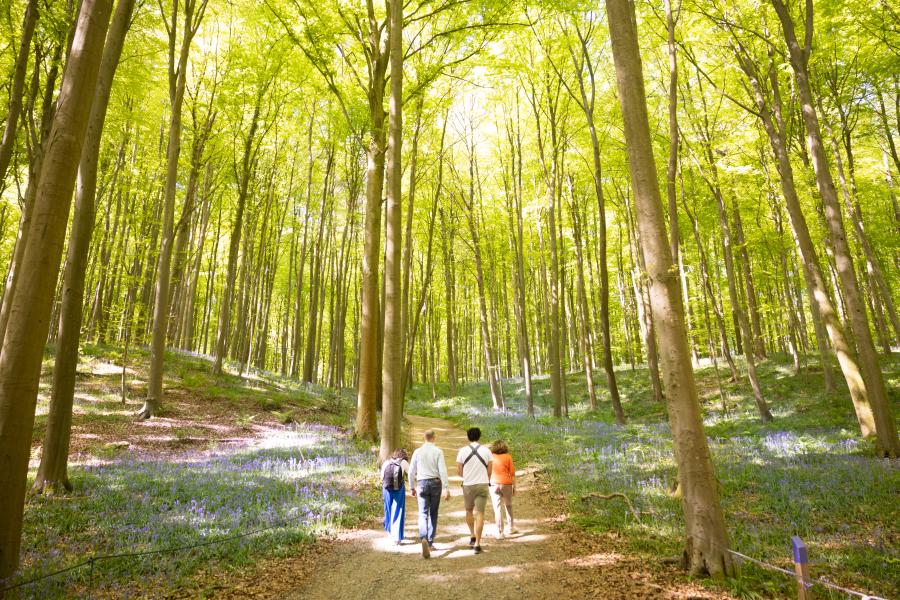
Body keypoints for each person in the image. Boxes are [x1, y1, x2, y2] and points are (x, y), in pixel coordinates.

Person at [407, 429, 450, 558]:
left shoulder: (417, 452)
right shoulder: (438, 451)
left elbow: (411, 471)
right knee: (433, 512)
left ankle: (423, 537)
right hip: (436, 483)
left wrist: (411, 487)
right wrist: (446, 488)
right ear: (434, 438)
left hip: (421, 483)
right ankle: (430, 542)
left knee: (422, 512)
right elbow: (442, 470)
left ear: (424, 438)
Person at [455, 427, 492, 554]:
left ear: (468, 437)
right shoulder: (487, 451)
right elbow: (490, 471)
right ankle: (477, 544)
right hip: (482, 484)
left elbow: (459, 471)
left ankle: (472, 535)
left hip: (468, 485)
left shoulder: (462, 451)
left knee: (469, 511)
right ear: (479, 436)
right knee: (480, 513)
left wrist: (468, 477)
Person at [489, 440, 517, 538]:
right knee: (508, 505)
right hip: (506, 483)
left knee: (497, 507)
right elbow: (512, 473)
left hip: (493, 483)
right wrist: (514, 487)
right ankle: (511, 528)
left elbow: (487, 470)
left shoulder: (490, 456)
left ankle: (500, 532)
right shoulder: (508, 457)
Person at [381, 449, 409, 545]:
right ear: (403, 456)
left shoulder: (386, 462)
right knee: (398, 510)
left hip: (386, 488)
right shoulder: (404, 462)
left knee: (387, 509)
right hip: (399, 489)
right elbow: (411, 473)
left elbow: (382, 477)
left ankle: (389, 531)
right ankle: (397, 538)